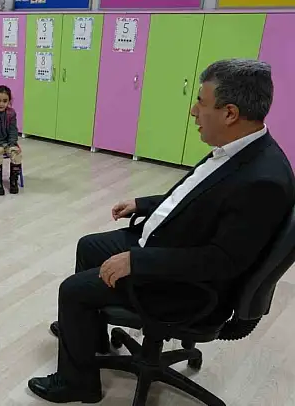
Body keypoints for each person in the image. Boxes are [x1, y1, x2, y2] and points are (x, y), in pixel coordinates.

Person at [28, 59, 295, 403]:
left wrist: (137, 262)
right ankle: (88, 336)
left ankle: (78, 383)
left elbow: (222, 262)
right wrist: (142, 204)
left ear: (230, 113)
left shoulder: (262, 181)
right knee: (89, 246)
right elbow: (194, 196)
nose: (193, 111)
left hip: (189, 286)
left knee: (73, 291)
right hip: (171, 242)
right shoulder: (241, 150)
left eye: (201, 102)